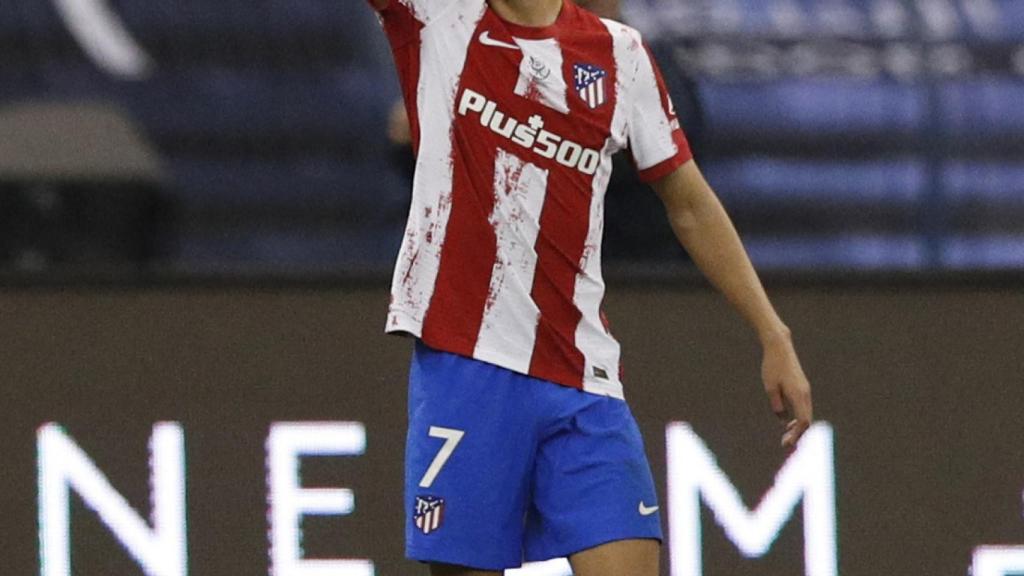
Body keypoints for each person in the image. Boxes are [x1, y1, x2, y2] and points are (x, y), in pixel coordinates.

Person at [364, 1, 814, 575]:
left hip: (583, 379)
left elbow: (690, 203)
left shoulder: (620, 54)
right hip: (465, 363)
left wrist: (771, 331)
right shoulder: (435, 17)